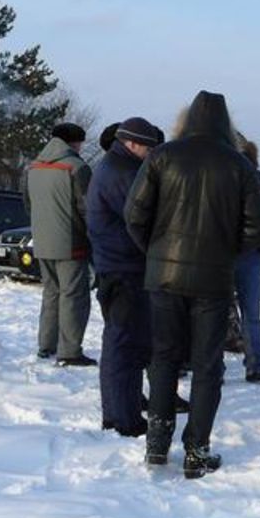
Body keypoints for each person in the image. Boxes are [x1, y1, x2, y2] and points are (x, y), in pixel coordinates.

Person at [125, 90, 260, 479]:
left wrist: (156, 252)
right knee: (207, 366)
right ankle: (196, 450)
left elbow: (134, 215)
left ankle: (157, 445)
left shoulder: (161, 157)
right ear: (226, 124)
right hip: (213, 280)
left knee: (165, 357)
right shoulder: (239, 166)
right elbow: (257, 230)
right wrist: (223, 255)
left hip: (163, 278)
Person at [87, 117, 161, 438]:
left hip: (117, 267)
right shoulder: (122, 173)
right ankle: (124, 419)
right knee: (125, 345)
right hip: (124, 269)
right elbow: (142, 218)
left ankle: (119, 412)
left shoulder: (114, 166)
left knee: (120, 343)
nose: (151, 154)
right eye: (148, 147)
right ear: (132, 143)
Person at [23, 122, 95, 366]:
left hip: (42, 241)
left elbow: (28, 203)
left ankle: (46, 344)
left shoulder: (32, 167)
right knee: (73, 296)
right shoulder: (76, 167)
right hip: (71, 241)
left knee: (51, 293)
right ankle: (70, 350)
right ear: (74, 142)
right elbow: (87, 209)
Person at [233, 135, 260, 384]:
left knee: (222, 314)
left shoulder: (250, 177)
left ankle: (253, 366)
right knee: (250, 315)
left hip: (239, 254)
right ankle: (256, 367)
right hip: (245, 254)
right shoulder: (255, 176)